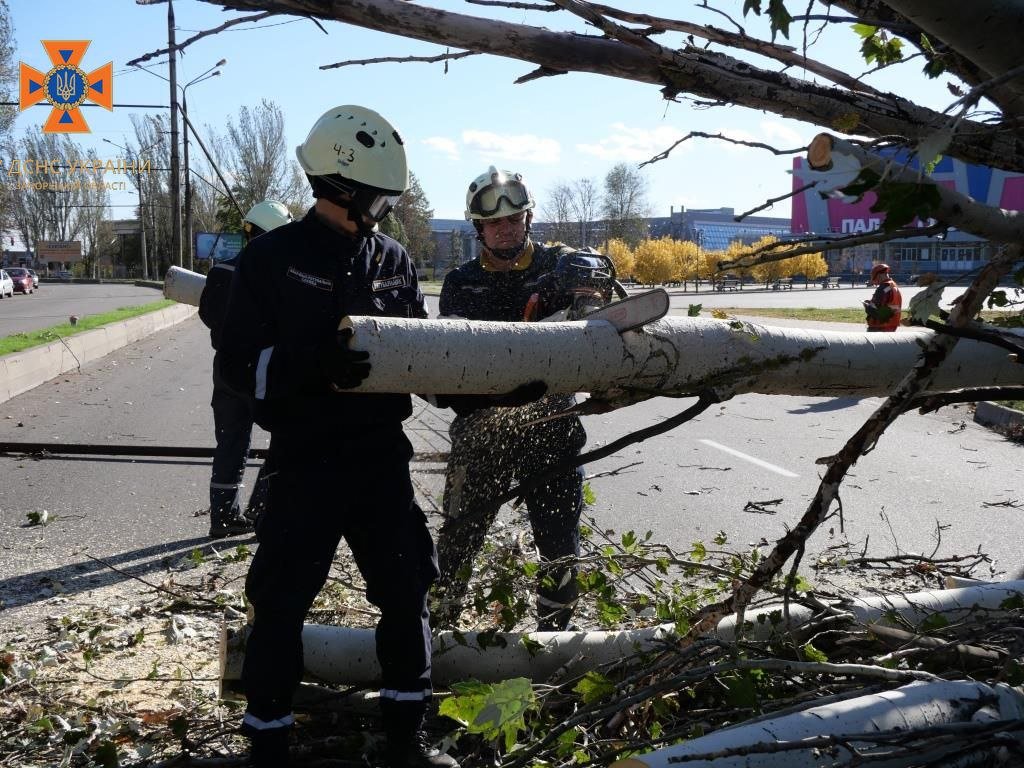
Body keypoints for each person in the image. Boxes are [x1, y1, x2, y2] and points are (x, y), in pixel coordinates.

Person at [216, 105, 459, 768]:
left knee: (407, 592)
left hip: (381, 461)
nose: (386, 207)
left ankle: (406, 739)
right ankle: (268, 743)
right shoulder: (271, 260)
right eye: (380, 195)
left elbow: (420, 356)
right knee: (281, 602)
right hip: (304, 461)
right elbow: (236, 366)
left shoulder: (393, 259)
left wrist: (475, 384)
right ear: (344, 186)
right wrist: (308, 366)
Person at [433, 166, 586, 633]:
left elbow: (600, 297)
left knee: (558, 547)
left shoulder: (557, 265)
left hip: (552, 427)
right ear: (479, 228)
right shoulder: (460, 283)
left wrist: (585, 278)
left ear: (528, 218)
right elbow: (448, 366)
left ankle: (552, 641)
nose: (506, 228)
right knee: (459, 537)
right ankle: (437, 632)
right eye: (496, 223)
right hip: (482, 430)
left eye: (514, 219)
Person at [198, 200, 293, 539]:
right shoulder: (276, 276)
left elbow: (208, 314)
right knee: (285, 437)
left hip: (224, 370)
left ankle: (222, 517)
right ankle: (261, 512)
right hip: (264, 371)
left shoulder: (221, 271)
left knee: (230, 441)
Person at [863, 262, 903, 332]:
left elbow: (876, 307)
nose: (877, 283)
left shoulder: (883, 288)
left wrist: (867, 306)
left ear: (878, 275)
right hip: (892, 324)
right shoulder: (893, 286)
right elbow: (888, 303)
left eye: (875, 279)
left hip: (880, 325)